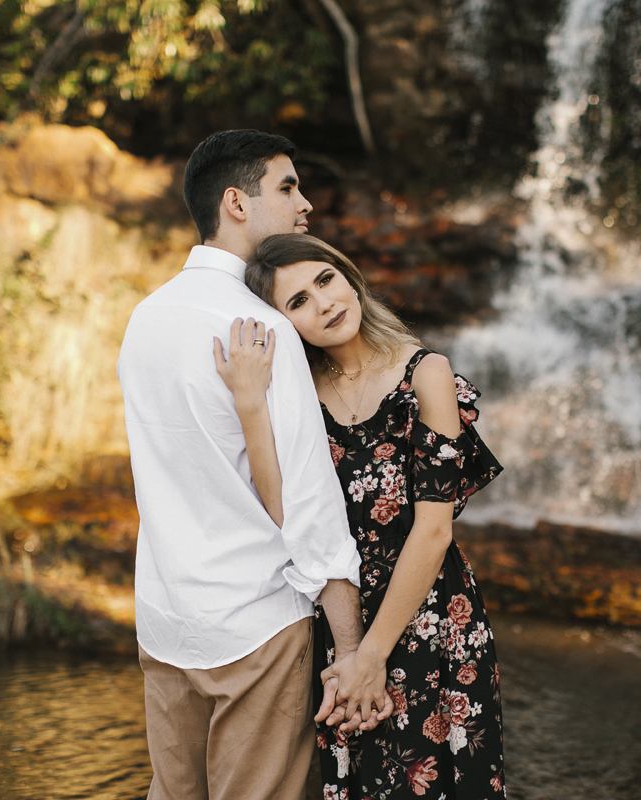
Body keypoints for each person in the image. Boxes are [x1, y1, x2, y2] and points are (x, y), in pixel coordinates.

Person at [117, 130, 391, 800]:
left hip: (166, 616)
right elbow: (308, 501)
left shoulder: (144, 319)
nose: (306, 207)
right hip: (255, 623)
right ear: (236, 203)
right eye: (288, 188)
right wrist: (351, 649)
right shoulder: (258, 328)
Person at [214, 233, 507, 798]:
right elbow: (283, 512)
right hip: (338, 616)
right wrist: (250, 402)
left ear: (348, 277)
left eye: (325, 280)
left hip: (430, 619)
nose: (323, 303)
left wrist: (369, 656)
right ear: (283, 323)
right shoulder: (299, 393)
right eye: (297, 301)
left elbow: (434, 528)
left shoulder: (426, 375)